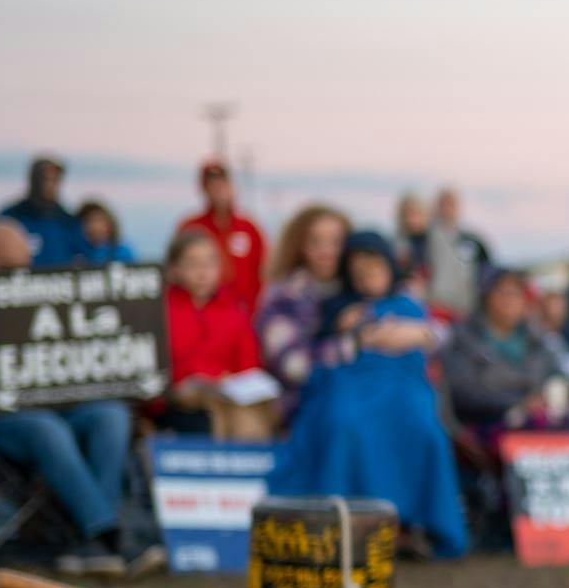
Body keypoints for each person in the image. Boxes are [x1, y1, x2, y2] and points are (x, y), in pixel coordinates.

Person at [0, 220, 164, 577]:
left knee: (111, 415)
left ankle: (93, 540)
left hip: (59, 405)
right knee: (46, 429)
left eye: (26, 266)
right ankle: (107, 534)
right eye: (8, 268)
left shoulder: (45, 298)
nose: (20, 276)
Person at [268, 231, 466, 558]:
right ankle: (347, 524)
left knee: (424, 428)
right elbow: (302, 362)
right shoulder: (336, 309)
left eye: (373, 267)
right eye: (358, 270)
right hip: (349, 385)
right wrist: (357, 338)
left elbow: (444, 334)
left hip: (403, 387)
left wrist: (421, 334)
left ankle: (408, 525)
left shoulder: (410, 305)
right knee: (345, 423)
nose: (366, 275)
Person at [160, 230, 275, 440]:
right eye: (193, 264)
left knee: (250, 422)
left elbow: (249, 366)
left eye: (210, 263)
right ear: (174, 269)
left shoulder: (234, 311)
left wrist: (229, 382)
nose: (202, 272)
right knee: (202, 418)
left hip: (229, 397)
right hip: (179, 401)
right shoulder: (161, 311)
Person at [443, 269, 569, 432]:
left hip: (539, 427)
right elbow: (462, 393)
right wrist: (518, 403)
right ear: (486, 297)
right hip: (486, 427)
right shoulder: (463, 338)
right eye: (504, 293)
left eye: (516, 294)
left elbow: (559, 375)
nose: (510, 301)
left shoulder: (537, 340)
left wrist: (557, 391)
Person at [257, 204, 354, 417]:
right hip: (306, 405)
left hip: (362, 399)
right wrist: (352, 345)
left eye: (335, 243)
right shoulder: (283, 297)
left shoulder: (362, 290)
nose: (326, 251)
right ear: (300, 246)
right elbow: (292, 366)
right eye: (316, 242)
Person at [176, 159, 266, 312]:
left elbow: (264, 272)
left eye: (221, 183)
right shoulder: (191, 227)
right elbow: (177, 272)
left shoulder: (249, 228)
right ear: (203, 189)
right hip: (202, 316)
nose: (217, 190)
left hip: (245, 316)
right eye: (211, 185)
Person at [0, 155, 84, 265]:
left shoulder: (68, 222)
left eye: (55, 179)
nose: (50, 185)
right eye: (45, 179)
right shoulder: (11, 218)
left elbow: (82, 255)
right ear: (33, 180)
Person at [425, 187, 495, 317]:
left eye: (451, 204)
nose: (447, 208)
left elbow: (488, 271)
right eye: (443, 203)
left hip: (465, 309)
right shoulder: (425, 237)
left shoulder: (472, 240)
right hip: (435, 308)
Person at [395, 193, 433, 291]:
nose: (411, 219)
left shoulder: (435, 242)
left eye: (415, 213)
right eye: (407, 214)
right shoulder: (397, 243)